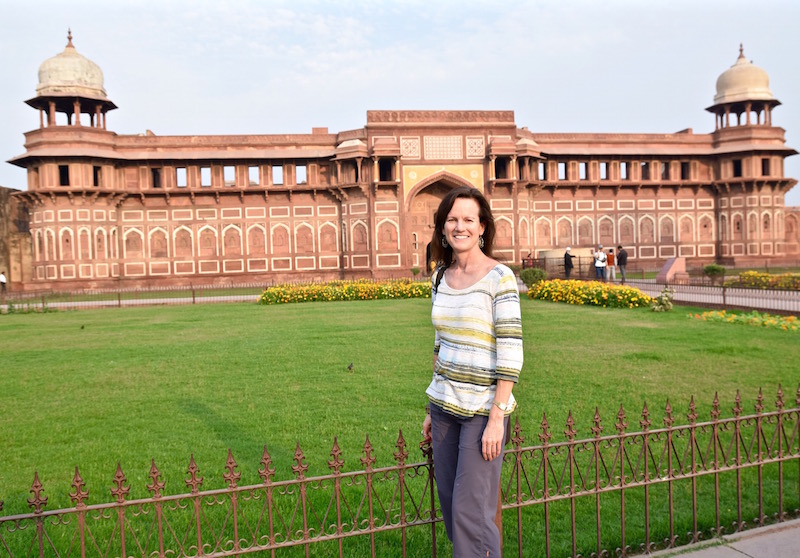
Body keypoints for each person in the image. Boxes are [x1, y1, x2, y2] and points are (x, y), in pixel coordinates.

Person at [422, 186, 523, 557]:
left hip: (482, 411)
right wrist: (430, 408)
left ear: (482, 227)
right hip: (444, 407)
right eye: (452, 219)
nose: (459, 226)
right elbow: (439, 346)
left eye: (468, 219)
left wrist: (498, 416)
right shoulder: (440, 278)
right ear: (442, 227)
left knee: (471, 512)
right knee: (451, 505)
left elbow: (511, 351)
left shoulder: (500, 277)